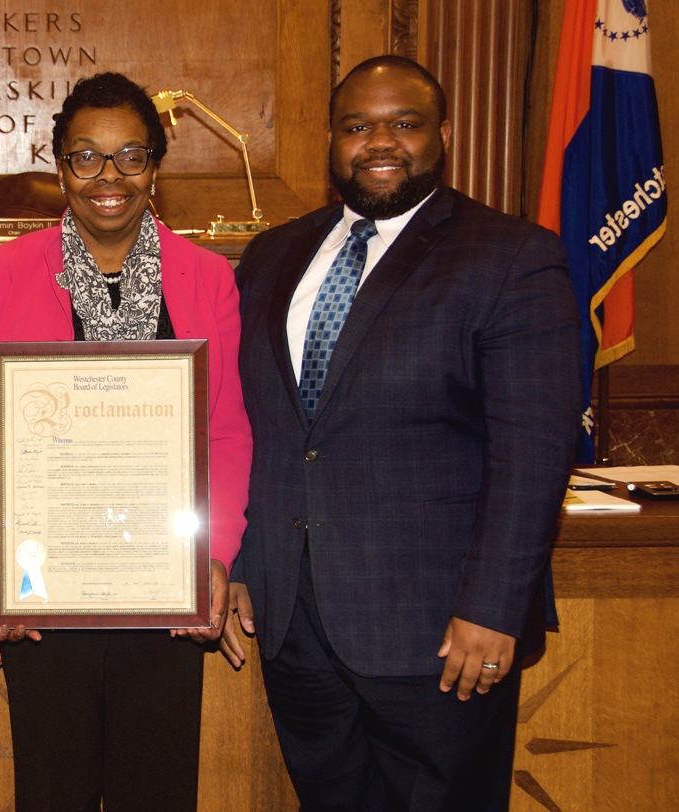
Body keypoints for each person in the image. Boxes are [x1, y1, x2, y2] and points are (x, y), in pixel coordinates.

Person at [220, 56, 581, 811]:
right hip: (295, 623)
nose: (379, 141)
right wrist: (242, 562)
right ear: (330, 140)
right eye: (357, 126)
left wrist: (492, 605)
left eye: (404, 123)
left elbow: (533, 455)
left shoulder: (511, 256)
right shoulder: (272, 254)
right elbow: (255, 427)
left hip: (441, 631)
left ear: (441, 134)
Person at [0, 71, 252, 810]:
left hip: (165, 592)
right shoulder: (0, 275)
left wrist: (214, 556)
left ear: (155, 167)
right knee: (51, 790)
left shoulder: (209, 278)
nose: (107, 177)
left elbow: (224, 428)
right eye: (86, 156)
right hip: (44, 592)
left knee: (155, 792)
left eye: (130, 157)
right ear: (59, 164)